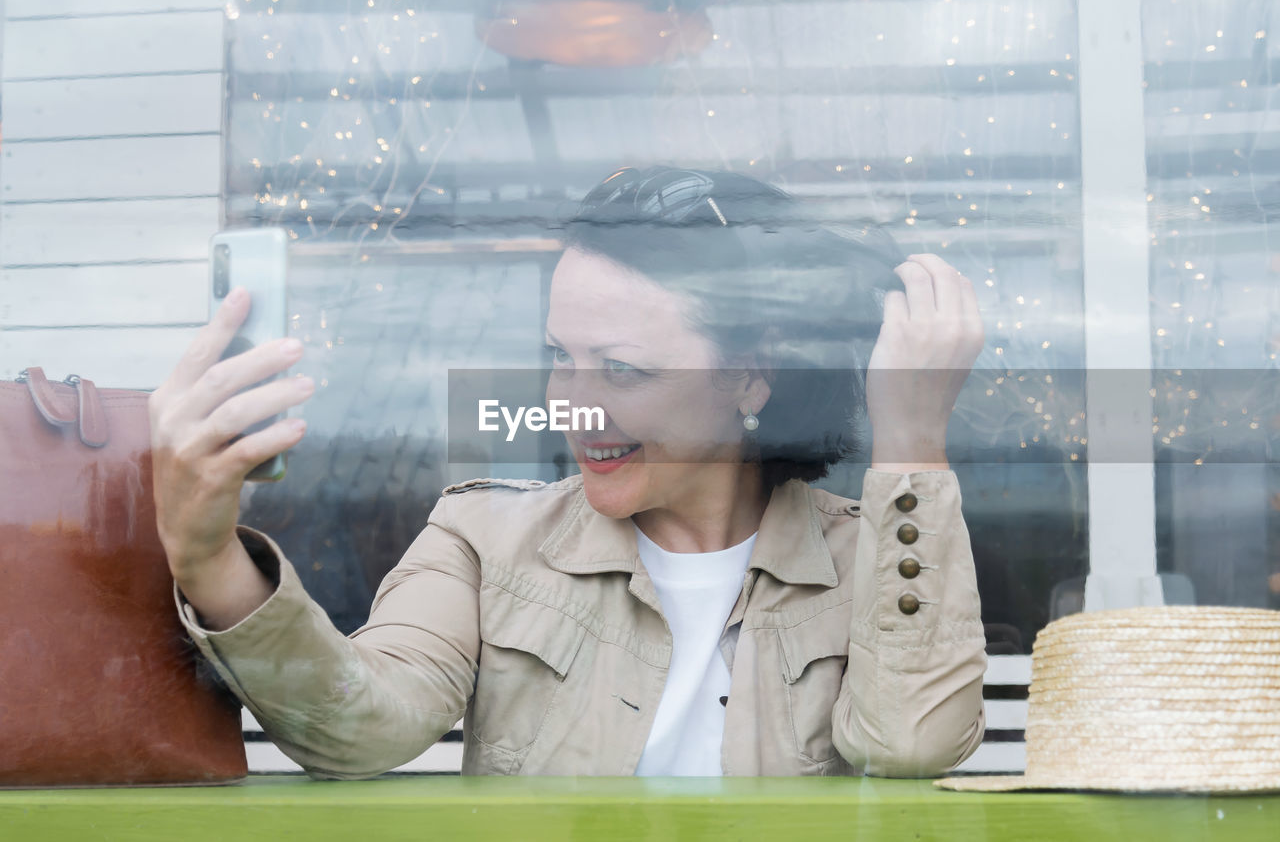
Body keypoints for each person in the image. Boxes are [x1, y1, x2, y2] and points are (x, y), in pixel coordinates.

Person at [149, 166, 987, 778]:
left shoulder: (864, 561)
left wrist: (912, 438)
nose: (572, 405)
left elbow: (908, 743)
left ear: (747, 376)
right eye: (560, 358)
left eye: (622, 370)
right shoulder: (482, 537)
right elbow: (357, 728)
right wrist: (210, 558)